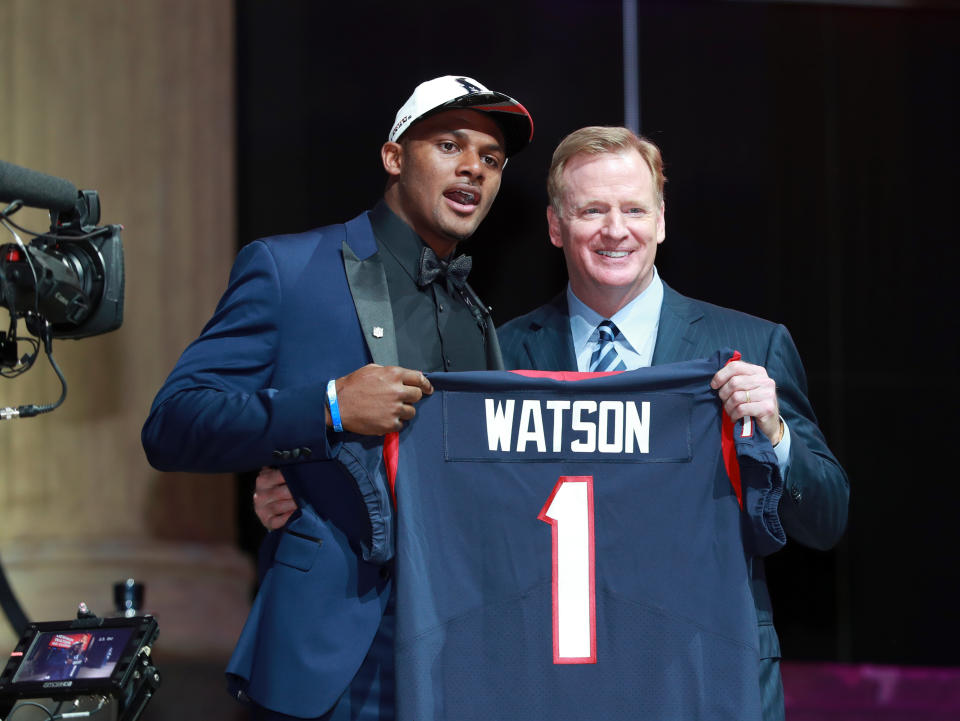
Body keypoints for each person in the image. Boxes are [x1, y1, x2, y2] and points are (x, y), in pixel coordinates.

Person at [253, 126, 849, 721]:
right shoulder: (499, 354)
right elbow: (447, 507)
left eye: (634, 209)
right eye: (592, 210)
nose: (616, 230)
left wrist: (775, 433)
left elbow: (826, 519)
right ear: (555, 227)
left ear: (662, 221)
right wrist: (311, 490)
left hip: (700, 676)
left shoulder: (749, 347)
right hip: (544, 682)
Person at [141, 75, 534, 721]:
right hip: (341, 643)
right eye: (449, 145)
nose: (474, 167)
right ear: (393, 156)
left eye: (491, 160)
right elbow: (174, 422)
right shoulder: (288, 267)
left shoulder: (476, 312)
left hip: (463, 645)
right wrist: (326, 408)